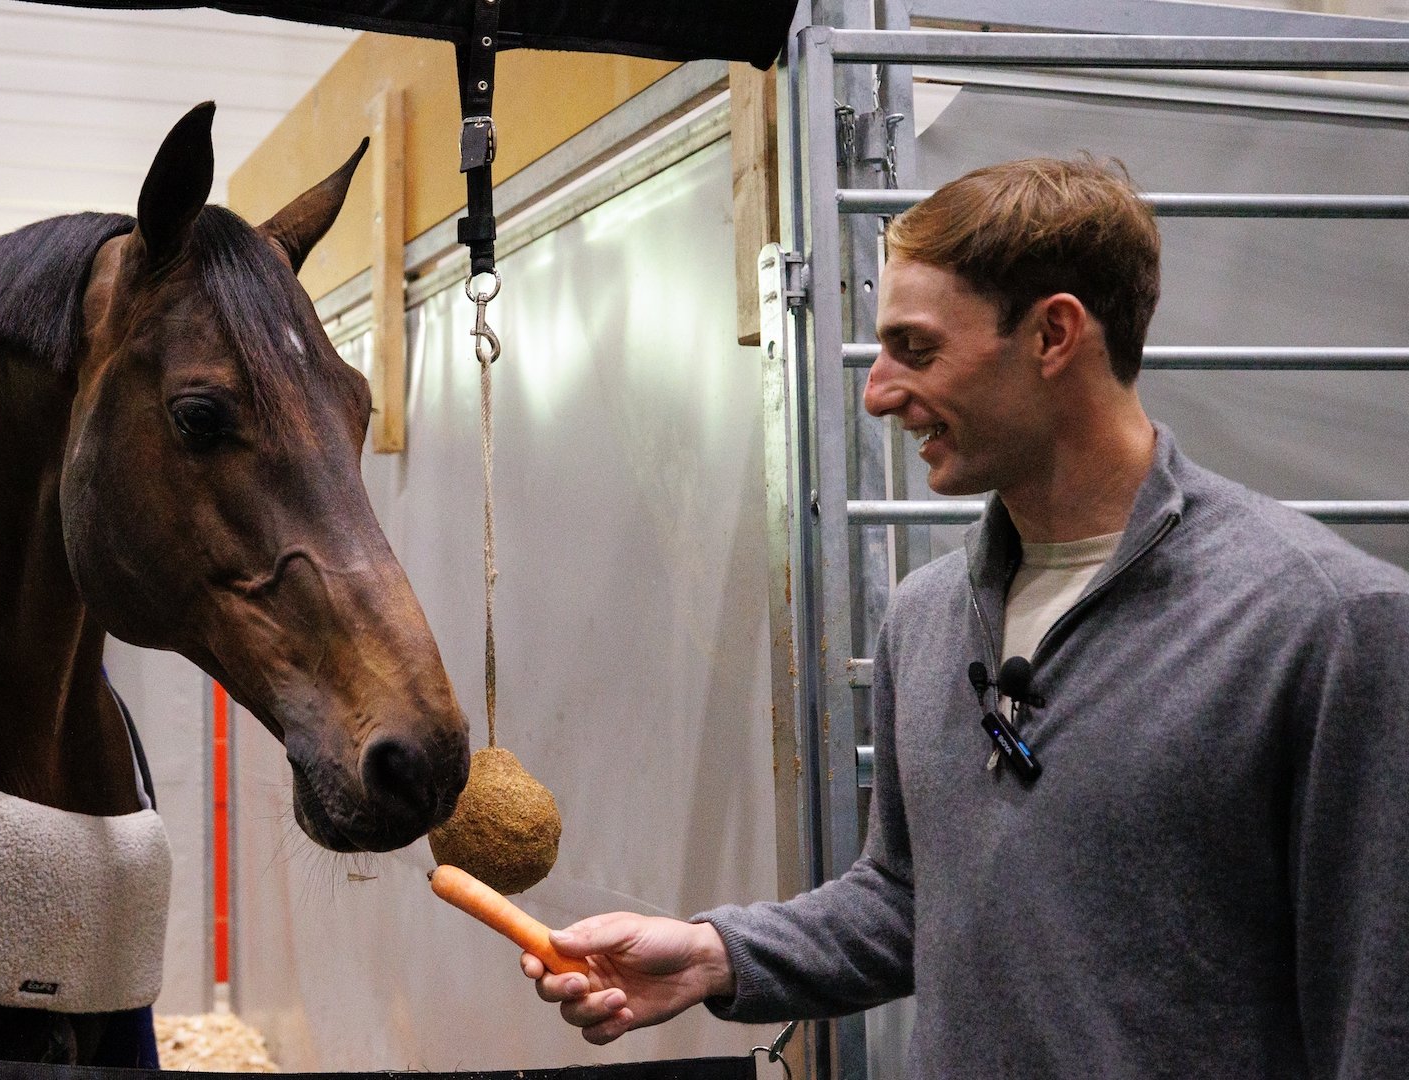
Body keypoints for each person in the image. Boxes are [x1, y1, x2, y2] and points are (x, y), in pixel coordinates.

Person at [521, 158, 1409, 1077]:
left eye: (916, 348)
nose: (877, 393)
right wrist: (716, 954)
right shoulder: (927, 618)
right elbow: (911, 896)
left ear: (1053, 334)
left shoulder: (1328, 626)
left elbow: (1381, 1010)